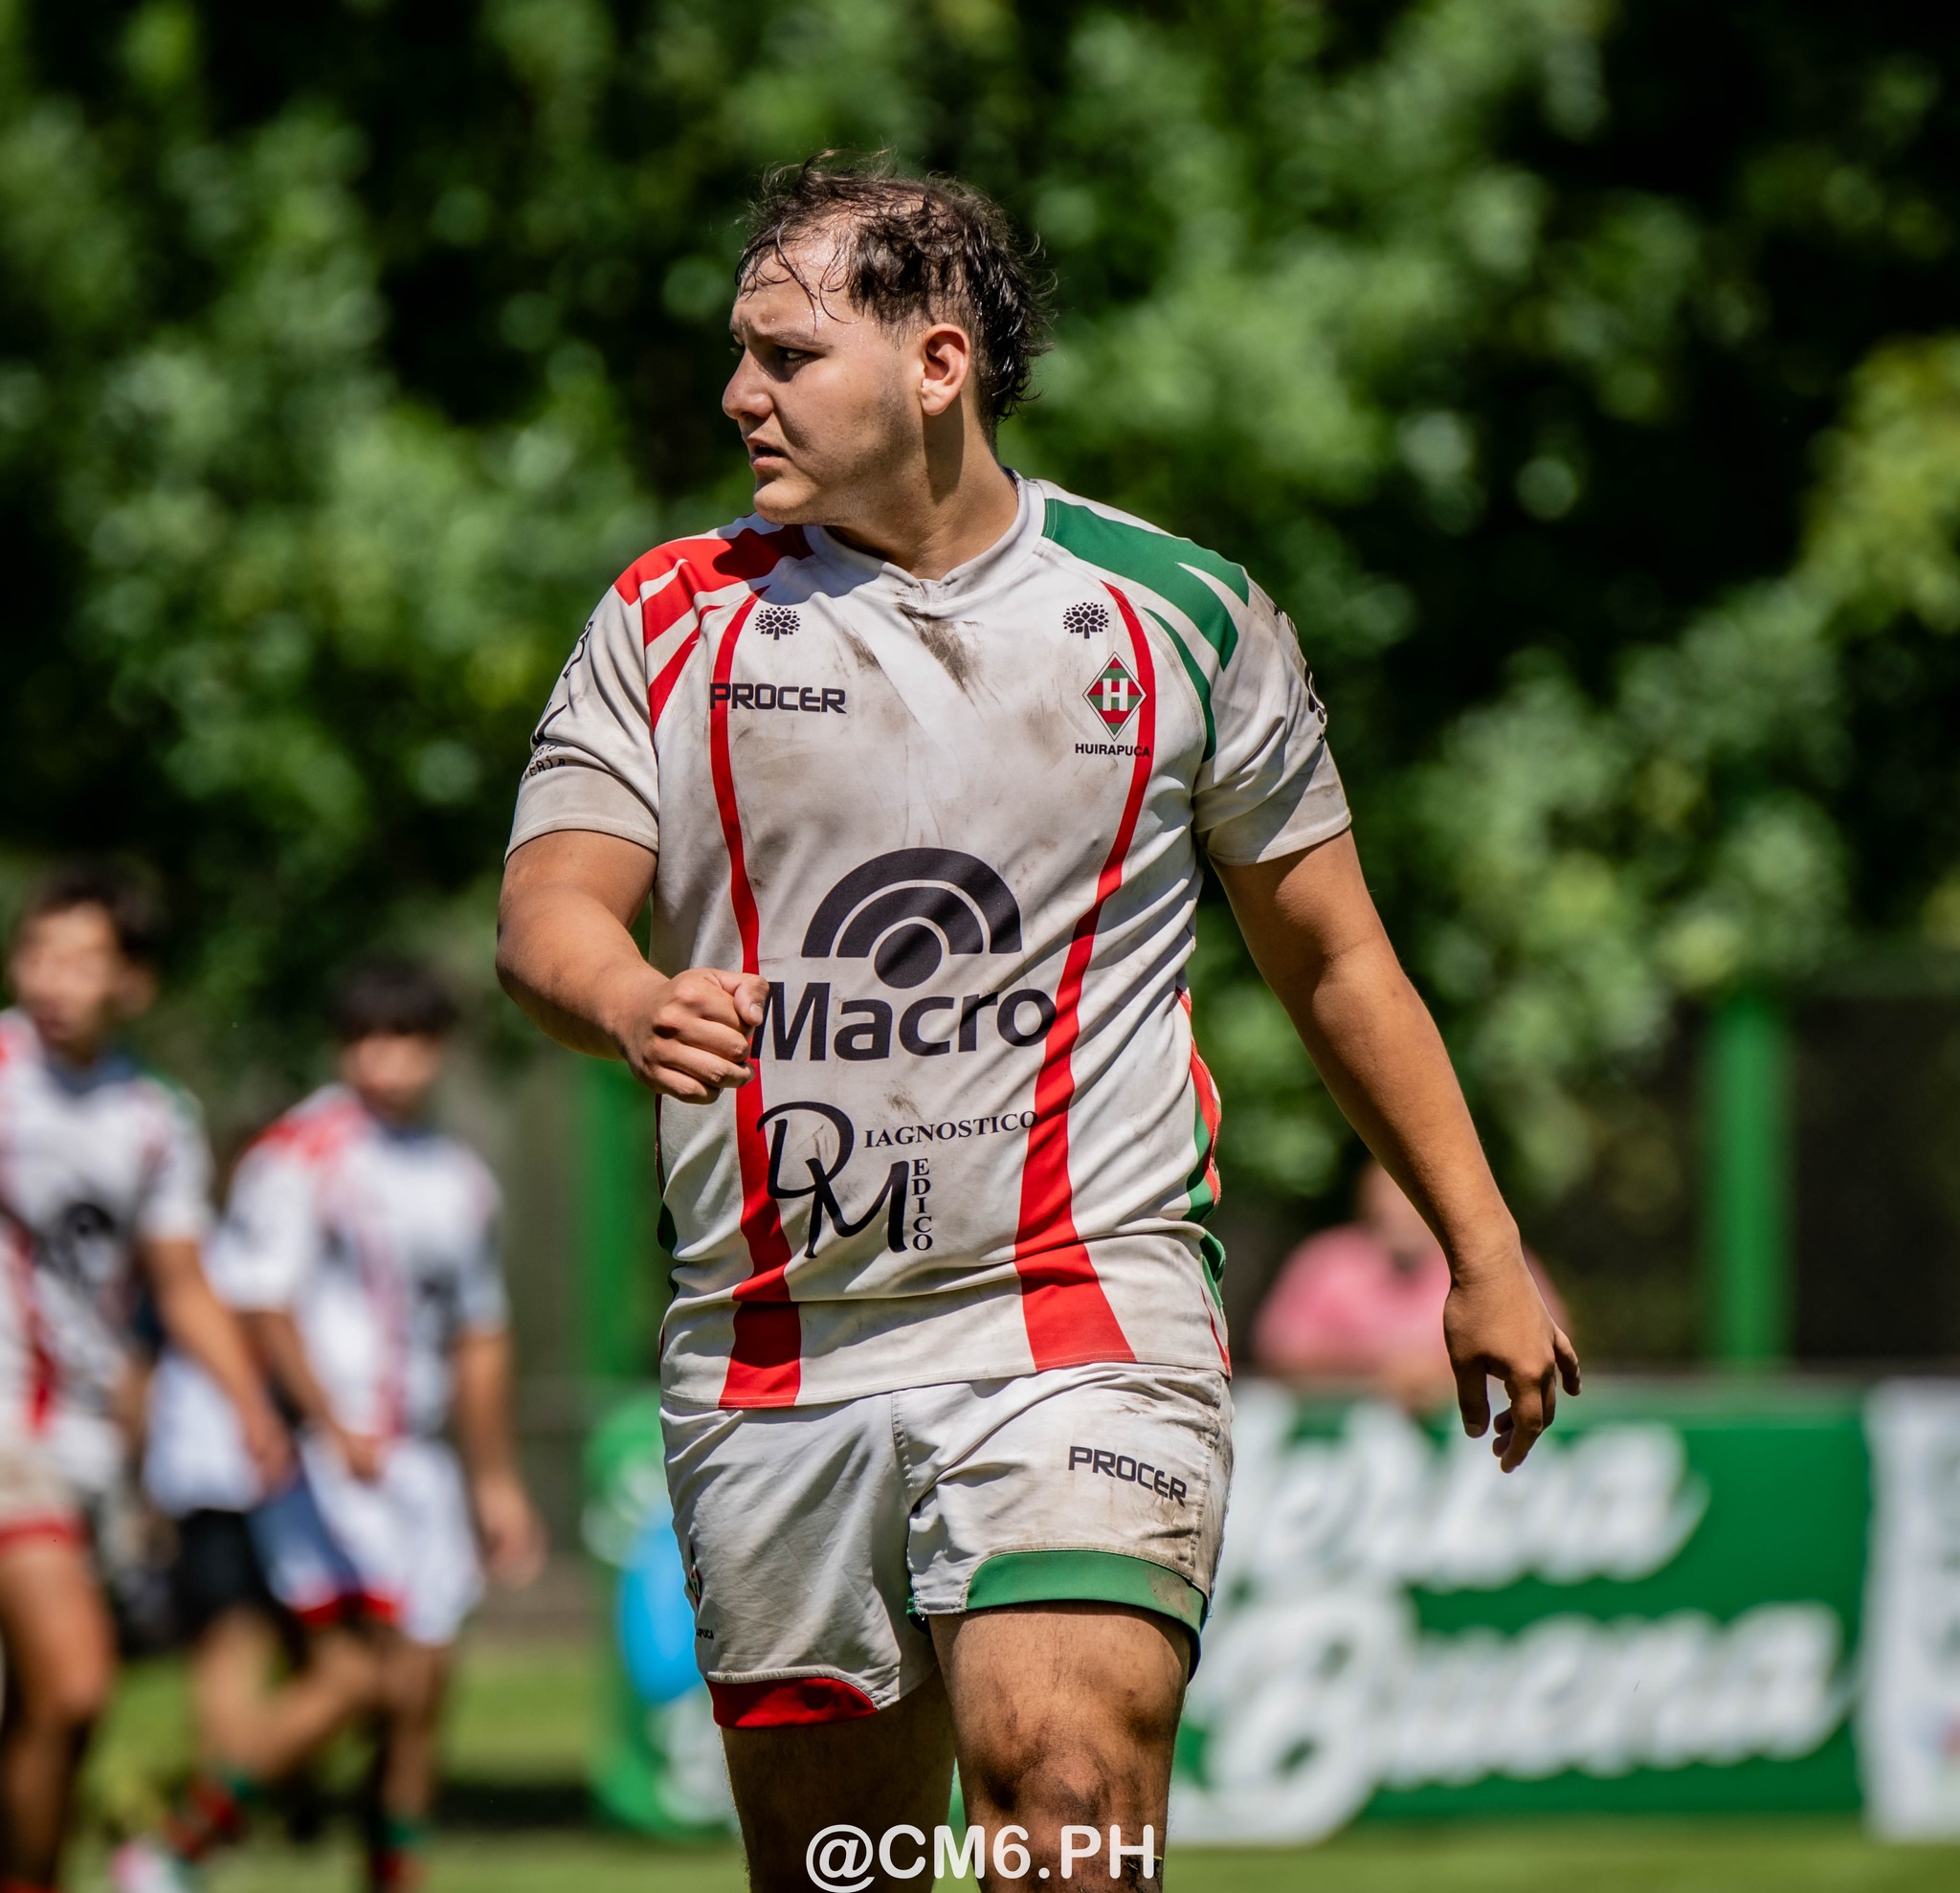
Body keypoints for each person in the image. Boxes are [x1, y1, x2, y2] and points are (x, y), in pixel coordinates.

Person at [496, 157, 1580, 1891]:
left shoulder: (1182, 617)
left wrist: (1482, 1241)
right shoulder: (664, 616)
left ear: (936, 366)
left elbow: (1339, 963)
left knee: (1064, 1792)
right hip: (774, 1340)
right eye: (736, 351)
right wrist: (625, 991)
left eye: (781, 353)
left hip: (1083, 1307)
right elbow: (548, 906)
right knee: (836, 1862)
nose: (735, 391)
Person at [122, 957, 543, 1893]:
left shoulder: (459, 1176)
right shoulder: (299, 1153)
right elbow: (262, 1302)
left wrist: (495, 1478)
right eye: (364, 1038)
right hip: (324, 1461)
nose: (382, 1059)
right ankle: (172, 1851)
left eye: (404, 1038)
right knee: (358, 1678)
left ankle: (390, 1871)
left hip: (418, 1465)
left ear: (437, 1050)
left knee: (421, 1691)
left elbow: (479, 1334)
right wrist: (324, 1417)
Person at [0, 862, 287, 1893]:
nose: (52, 977)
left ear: (134, 982)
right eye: (38, 951)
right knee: (73, 1686)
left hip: (89, 1440)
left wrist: (248, 1403)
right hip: (5, 1431)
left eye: (83, 959)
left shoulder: (154, 1115)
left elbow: (182, 1280)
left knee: (53, 1710)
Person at [1253, 1159, 1570, 1408]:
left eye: (1410, 1203)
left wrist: (1444, 1374)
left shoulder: (1497, 1261)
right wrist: (1377, 1369)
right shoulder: (1328, 1262)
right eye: (1389, 1204)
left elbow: (1548, 1347)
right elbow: (1280, 1350)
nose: (1399, 1215)